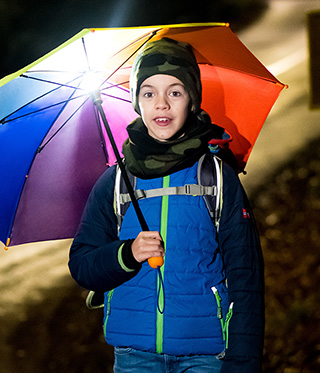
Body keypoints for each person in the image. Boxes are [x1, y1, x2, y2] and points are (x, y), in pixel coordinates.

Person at [68, 38, 265, 372]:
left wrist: (243, 363)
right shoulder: (116, 181)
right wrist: (127, 254)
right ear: (136, 102)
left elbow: (246, 276)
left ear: (192, 99)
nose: (161, 104)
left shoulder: (216, 176)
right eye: (148, 93)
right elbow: (83, 265)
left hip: (206, 356)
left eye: (175, 92)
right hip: (134, 357)